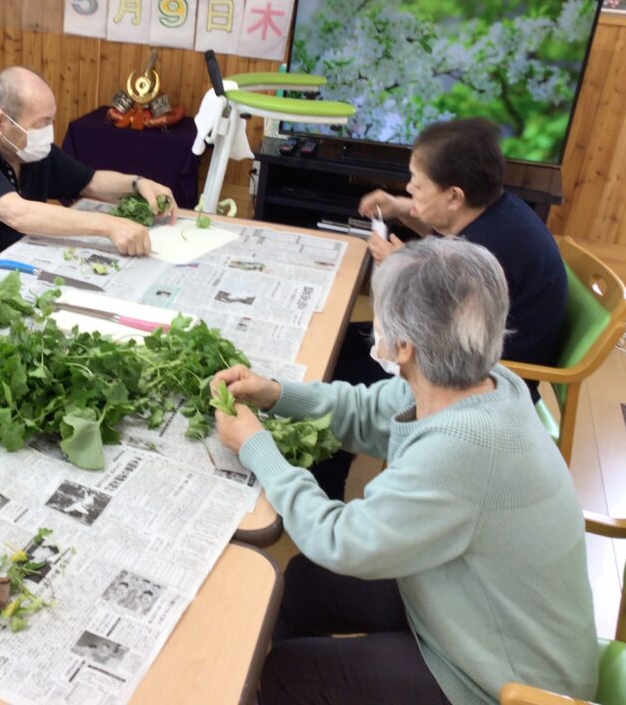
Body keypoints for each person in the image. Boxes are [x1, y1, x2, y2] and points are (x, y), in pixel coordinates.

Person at [213, 238, 597, 705]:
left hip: (505, 682)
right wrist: (276, 394)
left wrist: (257, 447)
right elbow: (364, 409)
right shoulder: (479, 381)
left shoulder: (464, 448)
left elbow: (341, 540)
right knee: (303, 583)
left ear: (403, 346)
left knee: (291, 675)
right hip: (464, 610)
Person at [319, 117, 566, 501]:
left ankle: (326, 487)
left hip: (483, 374)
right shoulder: (494, 210)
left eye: (417, 184)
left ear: (453, 196)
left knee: (338, 375)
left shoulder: (487, 251)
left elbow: (435, 316)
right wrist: (402, 207)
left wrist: (400, 264)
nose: (409, 188)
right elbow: (446, 235)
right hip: (471, 347)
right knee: (333, 343)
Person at [0, 66, 177, 276]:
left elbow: (91, 181)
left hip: (17, 262)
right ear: (0, 123)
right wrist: (108, 226)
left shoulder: (31, 150)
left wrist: (138, 183)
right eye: (41, 123)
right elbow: (17, 213)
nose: (48, 132)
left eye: (51, 120)